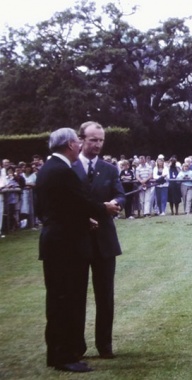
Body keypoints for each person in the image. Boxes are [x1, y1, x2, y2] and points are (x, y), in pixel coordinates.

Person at [35, 128, 120, 372]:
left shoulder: (48, 169)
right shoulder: (63, 171)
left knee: (58, 301)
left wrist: (83, 220)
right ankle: (64, 356)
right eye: (78, 141)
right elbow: (80, 202)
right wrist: (101, 209)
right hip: (65, 247)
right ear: (72, 145)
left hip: (55, 241)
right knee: (65, 301)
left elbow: (57, 208)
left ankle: (58, 354)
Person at [72, 121, 125, 359]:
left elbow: (120, 193)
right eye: (93, 139)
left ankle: (104, 344)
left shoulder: (109, 169)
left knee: (105, 296)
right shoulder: (70, 168)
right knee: (76, 296)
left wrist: (117, 204)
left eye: (101, 140)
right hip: (77, 240)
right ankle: (76, 346)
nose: (97, 144)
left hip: (104, 240)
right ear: (81, 139)